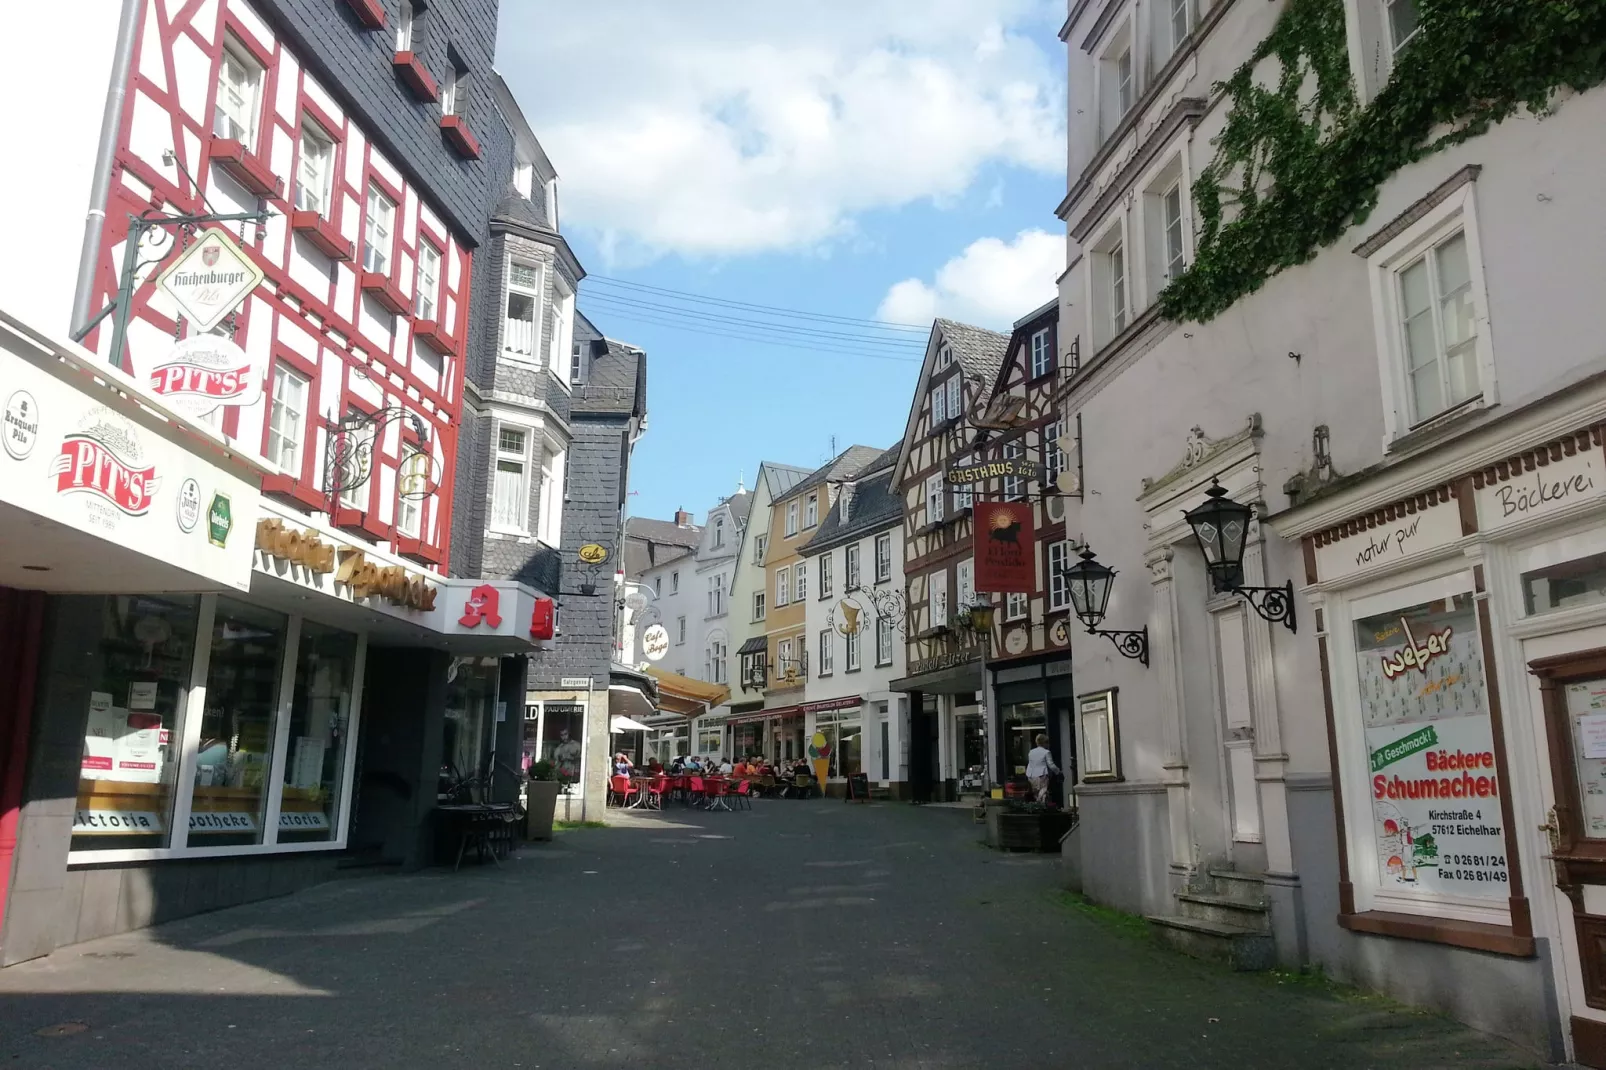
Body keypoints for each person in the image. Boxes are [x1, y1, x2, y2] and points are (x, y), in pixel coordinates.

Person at [1025, 734, 1060, 806]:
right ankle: (1041, 806)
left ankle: (1036, 806)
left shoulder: (1031, 752)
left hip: (1031, 775)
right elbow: (1051, 765)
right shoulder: (1046, 752)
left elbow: (1030, 763)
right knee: (1043, 791)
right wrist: (1058, 772)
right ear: (1045, 743)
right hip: (1042, 774)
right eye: (1047, 742)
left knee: (1036, 793)